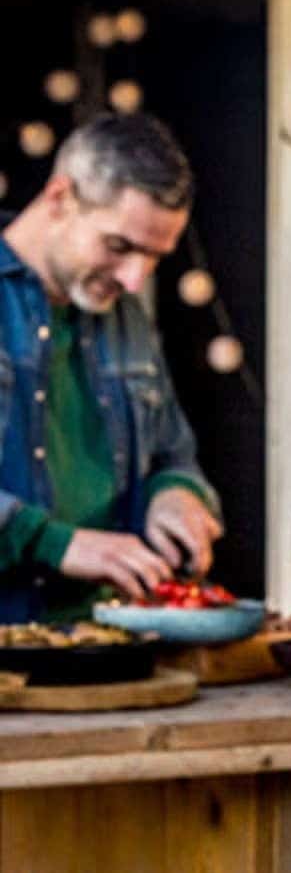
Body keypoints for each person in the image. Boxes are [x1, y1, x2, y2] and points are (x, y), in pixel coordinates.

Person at [0, 112, 222, 623]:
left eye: (154, 258)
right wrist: (54, 543)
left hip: (112, 645)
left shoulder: (125, 316)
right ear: (60, 199)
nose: (133, 278)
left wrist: (177, 496)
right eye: (119, 246)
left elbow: (174, 454)